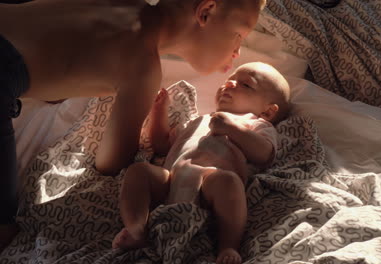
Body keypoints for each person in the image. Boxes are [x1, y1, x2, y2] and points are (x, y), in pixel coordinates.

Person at [0, 0, 266, 252]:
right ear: (206, 12)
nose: (238, 51)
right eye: (239, 34)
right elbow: (109, 163)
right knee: (5, 230)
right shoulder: (143, 66)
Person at [112, 62, 290, 264]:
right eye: (229, 80)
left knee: (229, 182)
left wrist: (231, 129)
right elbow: (162, 146)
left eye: (245, 85)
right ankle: (136, 228)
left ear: (267, 112)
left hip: (210, 186)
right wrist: (159, 111)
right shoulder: (198, 120)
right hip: (170, 180)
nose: (229, 84)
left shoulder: (256, 124)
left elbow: (265, 154)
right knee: (139, 171)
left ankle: (228, 245)